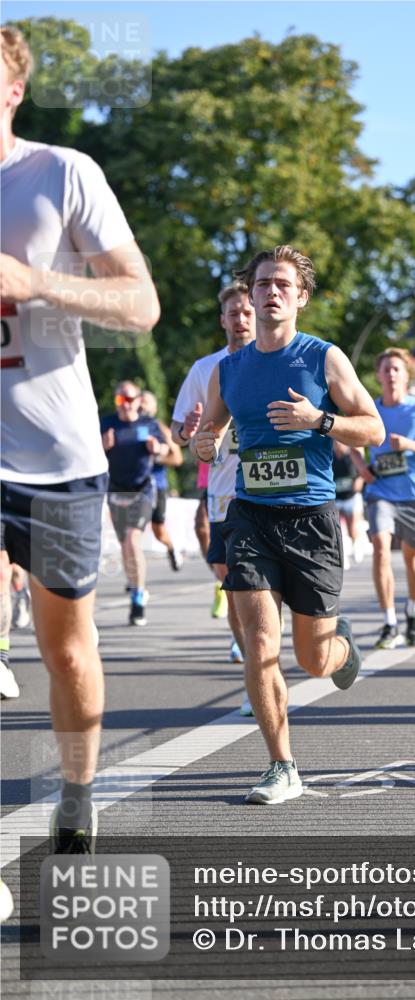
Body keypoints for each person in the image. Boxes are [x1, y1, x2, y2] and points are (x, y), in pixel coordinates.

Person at [0, 26, 160, 851]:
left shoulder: (60, 172)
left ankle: (76, 791)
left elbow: (140, 304)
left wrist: (36, 282)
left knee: (67, 654)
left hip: (56, 454)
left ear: (13, 90)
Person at [193, 245, 384, 804]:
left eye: (282, 285)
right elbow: (209, 434)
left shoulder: (323, 358)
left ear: (300, 298)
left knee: (312, 660)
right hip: (250, 515)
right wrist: (203, 442)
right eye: (262, 284)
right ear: (249, 295)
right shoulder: (228, 369)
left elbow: (373, 429)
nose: (271, 292)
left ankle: (341, 649)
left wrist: (319, 420)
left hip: (311, 520)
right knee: (258, 643)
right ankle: (282, 765)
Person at [173, 281, 256, 690]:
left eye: (247, 312)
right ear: (222, 320)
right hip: (225, 496)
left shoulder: (281, 361)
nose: (241, 320)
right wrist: (187, 430)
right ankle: (255, 675)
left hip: (276, 492)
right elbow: (178, 431)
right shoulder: (205, 369)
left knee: (267, 592)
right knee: (240, 589)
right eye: (233, 313)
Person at [351, 348, 415, 649]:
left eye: (397, 369)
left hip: (413, 495)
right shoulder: (370, 409)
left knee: (412, 557)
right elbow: (351, 438)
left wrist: (410, 445)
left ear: (406, 376)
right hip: (380, 492)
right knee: (380, 549)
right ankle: (389, 621)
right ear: (379, 376)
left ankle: (413, 612)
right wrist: (361, 468)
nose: (391, 374)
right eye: (386, 369)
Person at [100, 381, 168, 625]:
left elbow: (167, 450)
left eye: (129, 399)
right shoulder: (107, 423)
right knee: (125, 546)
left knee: (132, 539)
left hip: (142, 490)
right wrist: (102, 446)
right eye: (120, 399)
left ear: (139, 401)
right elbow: (90, 453)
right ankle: (134, 585)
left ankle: (138, 598)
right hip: (116, 489)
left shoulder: (148, 424)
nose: (125, 404)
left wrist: (157, 448)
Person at [139, 390, 184, 570]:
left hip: (156, 485)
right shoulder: (129, 426)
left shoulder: (161, 428)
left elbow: (177, 459)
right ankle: (135, 571)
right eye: (140, 401)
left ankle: (172, 549)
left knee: (158, 530)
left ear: (154, 408)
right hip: (134, 486)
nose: (141, 405)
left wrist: (155, 457)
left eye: (146, 402)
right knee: (132, 530)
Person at [332, 440, 365, 569]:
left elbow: (362, 472)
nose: (338, 445)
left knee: (353, 526)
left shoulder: (352, 456)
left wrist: (359, 481)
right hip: (337, 497)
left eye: (340, 443)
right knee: (338, 528)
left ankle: (356, 544)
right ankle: (343, 555)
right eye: (335, 443)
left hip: (352, 496)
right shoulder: (330, 457)